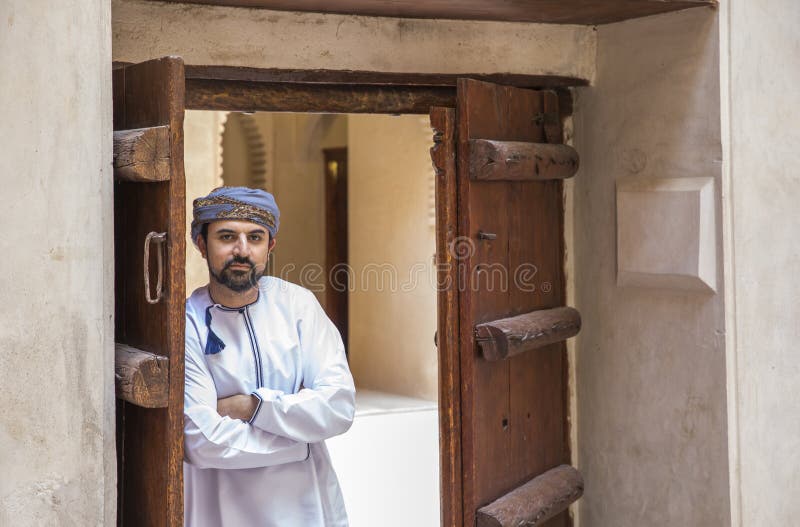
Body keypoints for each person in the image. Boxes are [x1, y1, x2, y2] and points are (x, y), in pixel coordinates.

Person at [183, 186, 355, 526]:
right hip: (222, 508)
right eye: (227, 236)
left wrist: (253, 406)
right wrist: (300, 443)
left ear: (270, 246)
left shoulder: (298, 305)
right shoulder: (187, 322)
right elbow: (200, 441)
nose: (242, 250)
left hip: (304, 504)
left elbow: (339, 406)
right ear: (202, 245)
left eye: (255, 238)